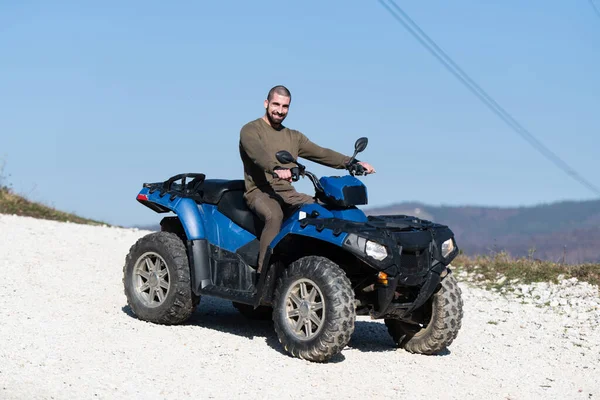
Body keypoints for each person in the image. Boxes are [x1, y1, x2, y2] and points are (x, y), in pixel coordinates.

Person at [239, 85, 375, 272]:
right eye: (276, 104)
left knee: (321, 210)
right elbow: (258, 154)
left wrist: (352, 163)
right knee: (274, 215)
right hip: (260, 191)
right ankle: (264, 274)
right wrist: (276, 168)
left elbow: (321, 153)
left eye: (285, 106)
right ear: (266, 103)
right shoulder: (251, 130)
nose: (279, 110)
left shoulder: (293, 136)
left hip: (287, 193)